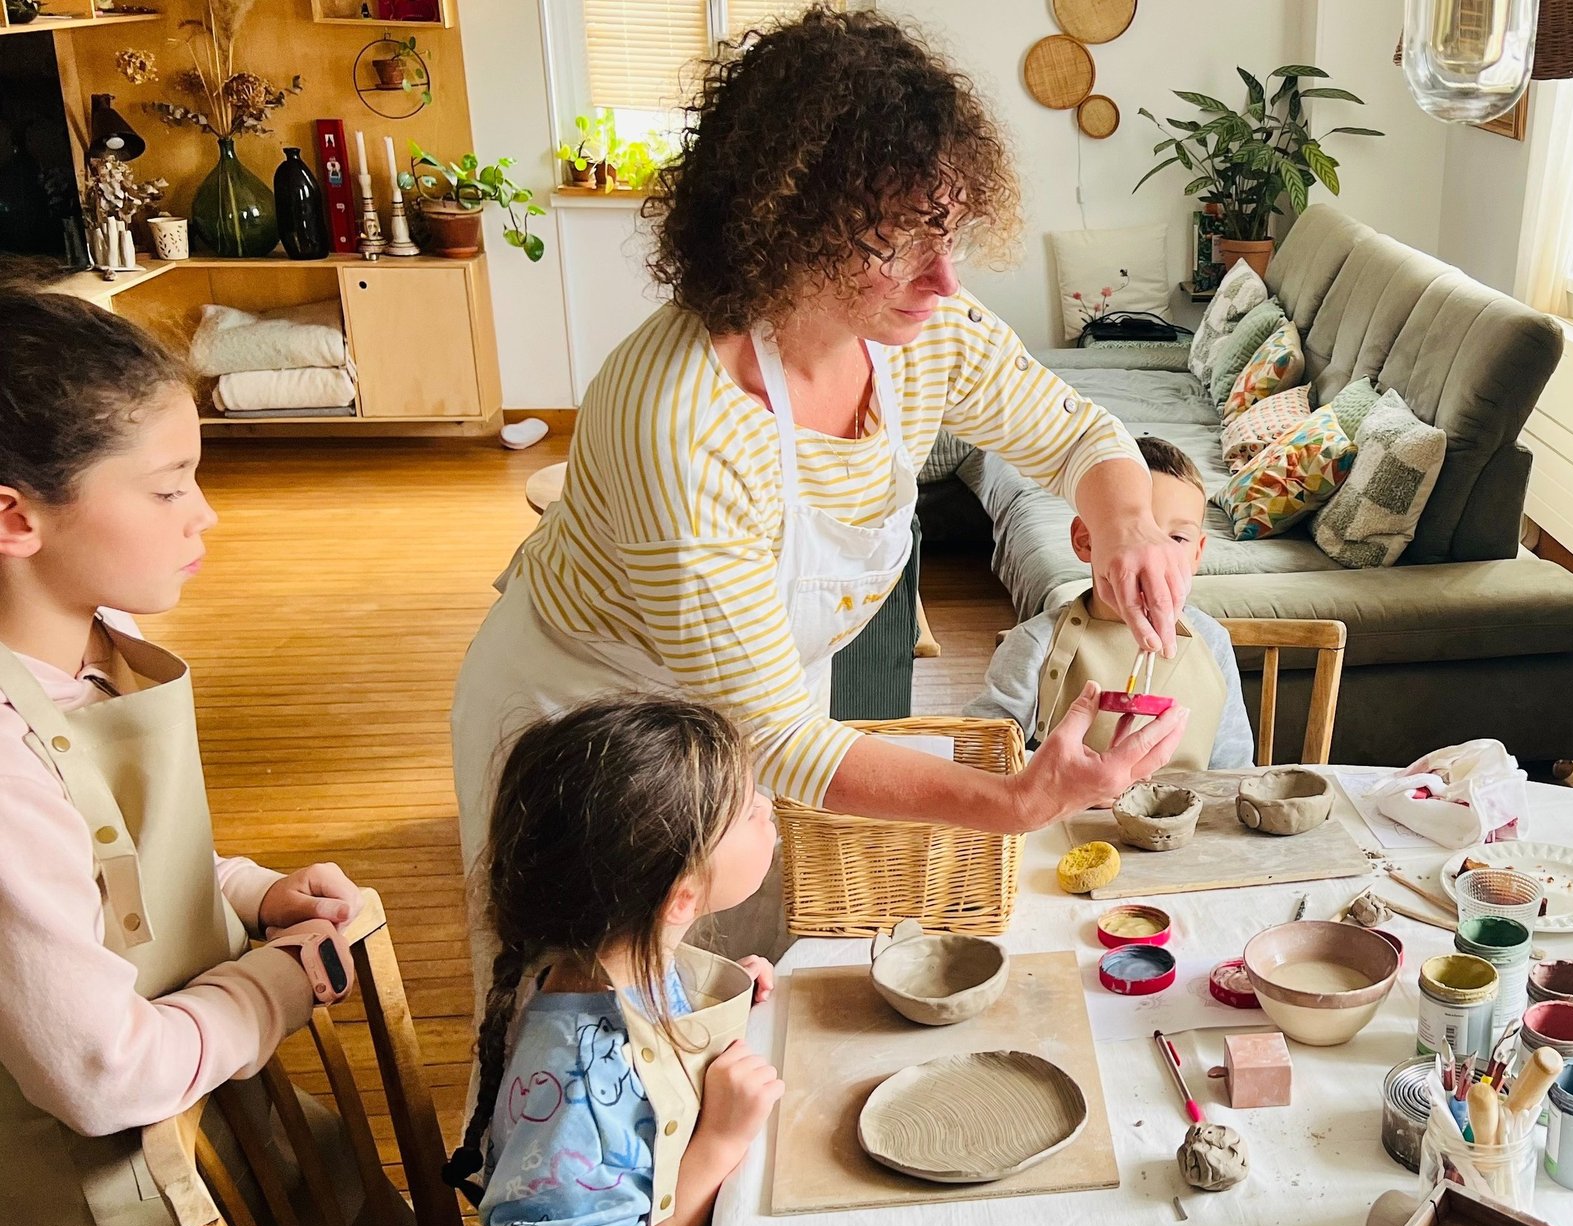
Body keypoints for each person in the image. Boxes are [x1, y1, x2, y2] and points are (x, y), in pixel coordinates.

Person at [450, 8, 1191, 976]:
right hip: (591, 716)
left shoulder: (924, 333)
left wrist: (1129, 523)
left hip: (752, 711)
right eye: (897, 242)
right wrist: (1011, 802)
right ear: (780, 227)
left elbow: (1076, 434)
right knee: (581, 1008)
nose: (944, 278)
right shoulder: (681, 419)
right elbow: (783, 740)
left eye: (951, 230)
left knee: (748, 980)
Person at [0, 281, 368, 1226]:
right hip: (103, 1199)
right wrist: (279, 986)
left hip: (208, 1106)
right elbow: (102, 1074)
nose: (204, 515)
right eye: (168, 488)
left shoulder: (94, 646)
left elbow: (106, 860)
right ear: (16, 517)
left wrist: (253, 892)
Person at [448, 697, 782, 1226]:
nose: (767, 806)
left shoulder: (617, 954)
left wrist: (720, 1007)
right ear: (680, 899)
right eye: (746, 807)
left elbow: (651, 1066)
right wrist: (718, 1145)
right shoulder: (570, 1091)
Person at [968, 437, 1255, 771]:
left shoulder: (1212, 641)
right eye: (1134, 535)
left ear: (1197, 554)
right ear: (1086, 540)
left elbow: (1234, 768)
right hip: (1071, 820)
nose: (1155, 557)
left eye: (1177, 539)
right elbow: (980, 754)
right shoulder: (1035, 644)